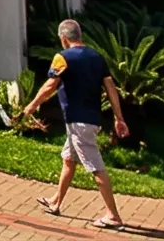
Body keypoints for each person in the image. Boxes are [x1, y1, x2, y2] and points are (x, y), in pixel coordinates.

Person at [24, 18, 129, 230]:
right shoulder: (97, 57)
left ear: (63, 38)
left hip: (79, 123)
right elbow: (111, 88)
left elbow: (51, 84)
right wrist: (119, 118)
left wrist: (32, 105)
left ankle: (113, 216)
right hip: (88, 121)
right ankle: (56, 202)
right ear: (79, 36)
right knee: (69, 159)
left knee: (96, 168)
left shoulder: (62, 57)